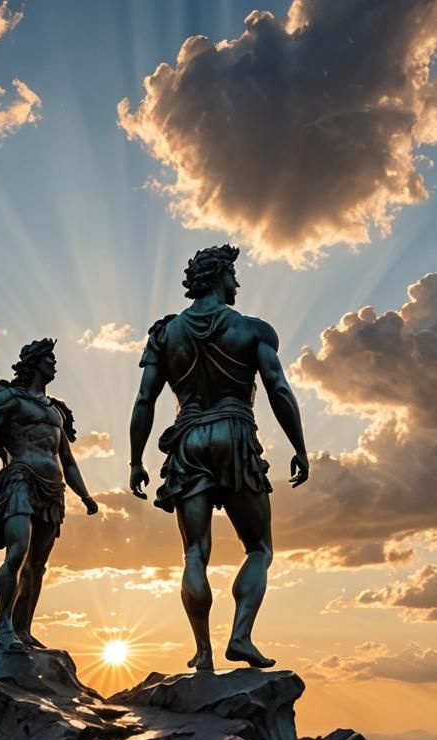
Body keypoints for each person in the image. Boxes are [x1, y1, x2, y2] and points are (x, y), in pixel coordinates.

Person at [129, 244, 309, 670]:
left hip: (187, 437)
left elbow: (144, 400)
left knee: (195, 552)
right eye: (232, 273)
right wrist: (300, 446)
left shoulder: (166, 334)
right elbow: (278, 390)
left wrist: (135, 460)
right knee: (260, 548)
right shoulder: (252, 330)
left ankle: (203, 652)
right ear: (218, 276)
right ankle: (241, 636)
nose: (237, 283)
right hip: (235, 432)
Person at [0, 339, 99, 652]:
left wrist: (86, 496)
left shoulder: (56, 412)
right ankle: (4, 624)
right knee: (17, 551)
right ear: (34, 362)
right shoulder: (9, 399)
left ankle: (23, 629)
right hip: (20, 478)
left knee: (37, 564)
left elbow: (67, 459)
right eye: (49, 359)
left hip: (53, 489)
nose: (54, 364)